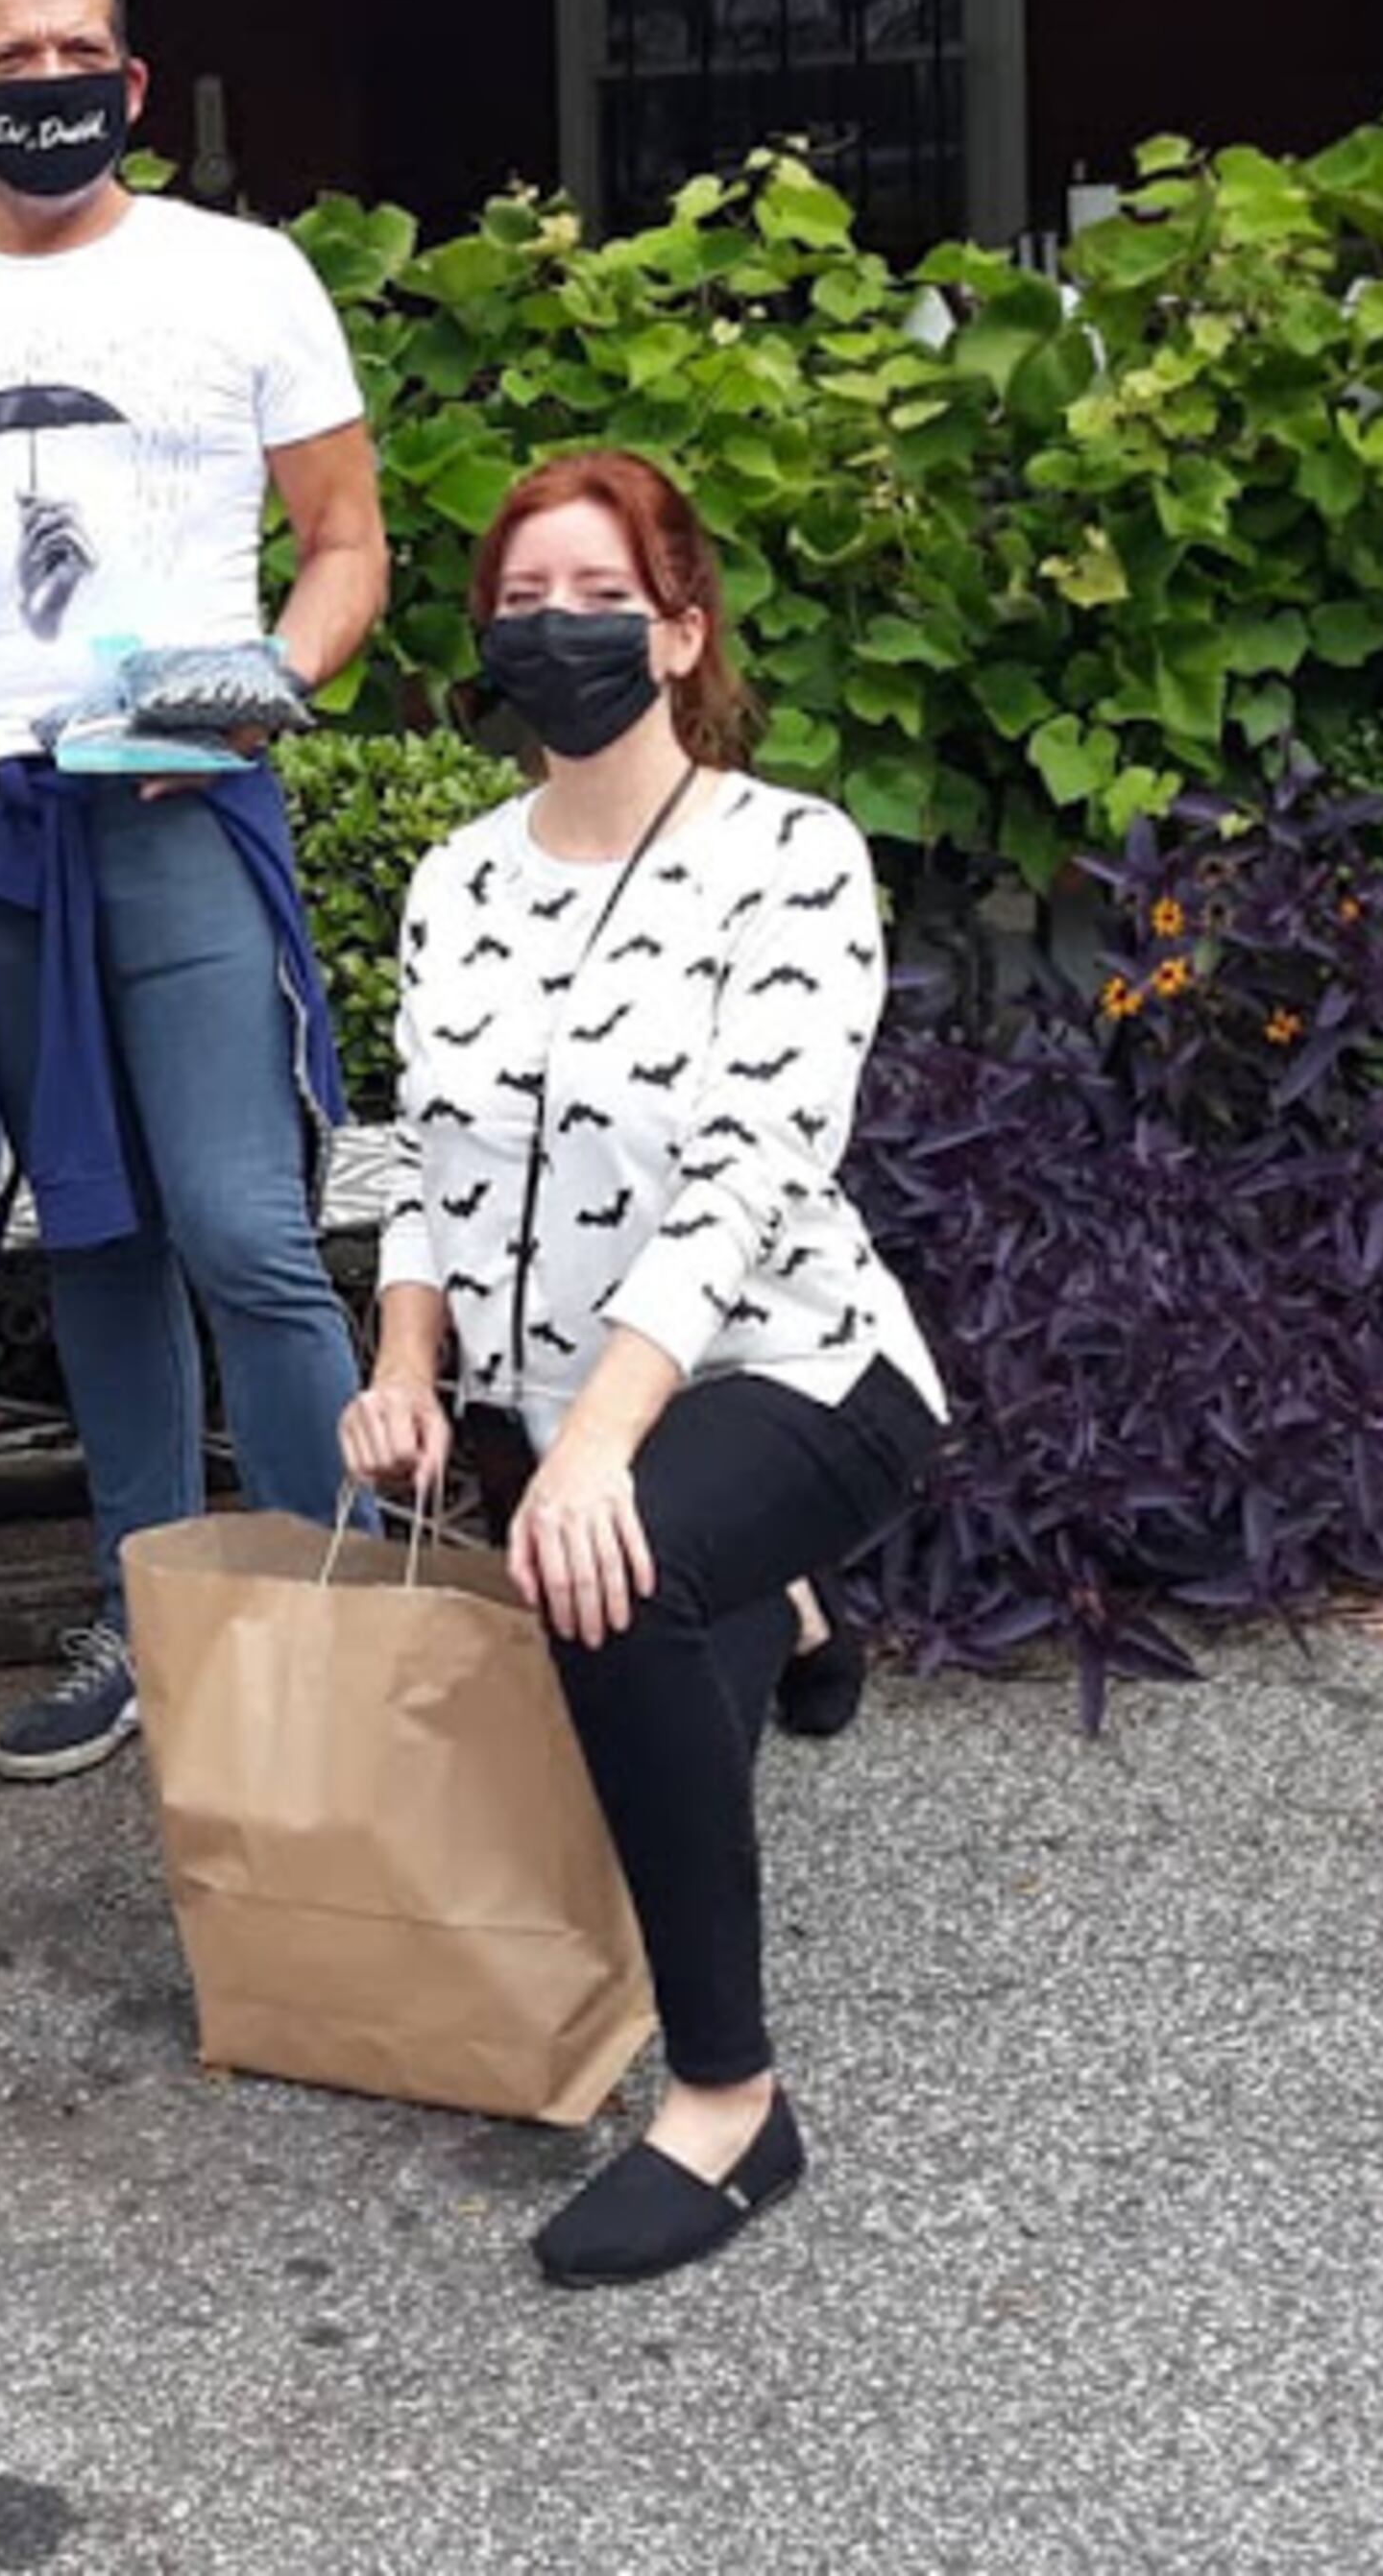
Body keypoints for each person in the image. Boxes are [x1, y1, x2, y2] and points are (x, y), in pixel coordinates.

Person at [342, 450, 944, 2288]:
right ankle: (792, 1610)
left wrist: (597, 1454)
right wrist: (405, 1367)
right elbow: (428, 1161)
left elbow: (750, 1174)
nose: (560, 633)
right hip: (560, 1403)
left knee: (610, 1580)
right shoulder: (457, 882)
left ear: (681, 635)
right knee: (611, 1547)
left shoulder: (792, 860)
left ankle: (729, 2101)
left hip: (797, 1363)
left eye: (602, 599)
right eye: (522, 604)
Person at [0, 0, 390, 1783]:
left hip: (182, 797)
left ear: (131, 86)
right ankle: (150, 1616)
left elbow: (348, 545)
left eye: (79, 59)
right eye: (12, 64)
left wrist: (262, 689)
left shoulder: (246, 276)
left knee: (246, 1228)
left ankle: (339, 1620)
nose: (46, 88)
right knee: (99, 1237)